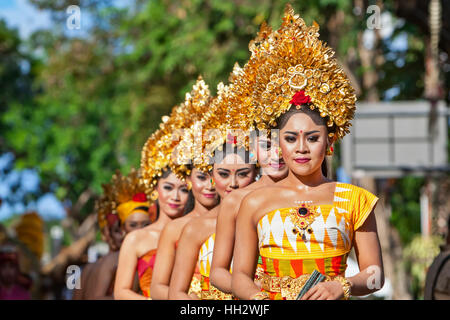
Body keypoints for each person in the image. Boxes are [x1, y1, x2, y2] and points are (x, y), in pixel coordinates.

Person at [231, 5, 384, 300]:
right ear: (279, 144)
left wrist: (342, 285)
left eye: (312, 138)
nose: (301, 148)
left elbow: (376, 275)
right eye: (291, 138)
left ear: (329, 142)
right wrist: (259, 299)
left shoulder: (356, 200)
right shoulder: (254, 201)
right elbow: (239, 275)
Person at [114, 77, 211, 300]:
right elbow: (121, 292)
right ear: (155, 188)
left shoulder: (204, 228)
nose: (176, 197)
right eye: (168, 188)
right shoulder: (137, 239)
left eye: (183, 189)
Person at [168, 142, 257, 300]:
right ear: (212, 176)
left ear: (256, 172)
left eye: (243, 174)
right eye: (223, 174)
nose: (233, 183)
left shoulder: (270, 218)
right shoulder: (197, 228)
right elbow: (177, 293)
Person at [83, 169, 153, 300]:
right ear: (122, 229)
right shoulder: (114, 260)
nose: (139, 230)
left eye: (146, 225)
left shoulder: (92, 266)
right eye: (133, 225)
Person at [150, 166, 218, 299]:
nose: (210, 186)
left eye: (217, 177)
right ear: (188, 179)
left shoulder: (238, 220)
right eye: (202, 177)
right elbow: (157, 288)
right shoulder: (175, 229)